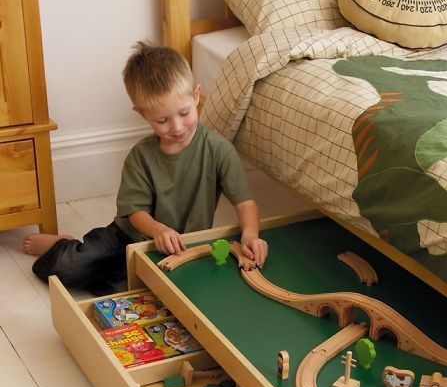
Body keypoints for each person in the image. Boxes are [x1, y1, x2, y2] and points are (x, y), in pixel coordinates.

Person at [23, 41, 267, 295]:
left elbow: (244, 202)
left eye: (184, 113)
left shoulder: (219, 150)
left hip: (183, 247)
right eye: (162, 120)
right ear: (142, 114)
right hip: (127, 237)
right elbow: (135, 213)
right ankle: (65, 245)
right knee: (66, 268)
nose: (177, 127)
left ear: (196, 96)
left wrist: (251, 234)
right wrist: (157, 230)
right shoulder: (140, 157)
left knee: (142, 288)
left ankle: (107, 269)